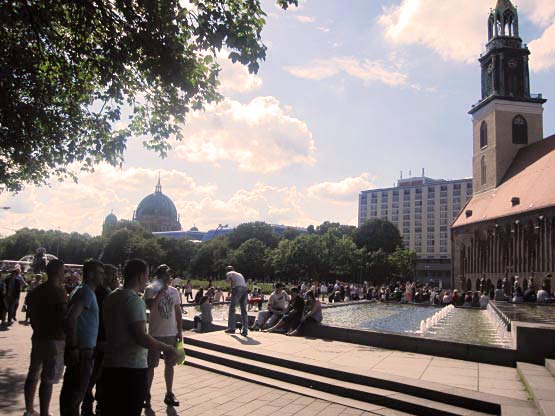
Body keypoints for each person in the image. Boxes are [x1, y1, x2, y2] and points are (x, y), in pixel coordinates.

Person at [101, 259, 177, 416]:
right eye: (147, 275)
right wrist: (167, 348)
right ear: (141, 275)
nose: (149, 280)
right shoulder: (134, 301)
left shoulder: (111, 296)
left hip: (109, 365)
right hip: (130, 368)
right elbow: (141, 337)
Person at [60, 259, 104, 416]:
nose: (103, 276)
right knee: (75, 394)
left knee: (72, 392)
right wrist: (73, 346)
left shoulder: (81, 290)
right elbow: (71, 317)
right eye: (100, 273)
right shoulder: (86, 292)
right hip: (82, 351)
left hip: (82, 349)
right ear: (91, 274)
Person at [23, 259, 67, 416]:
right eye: (63, 270)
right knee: (47, 379)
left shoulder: (38, 290)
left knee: (33, 373)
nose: (65, 274)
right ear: (57, 272)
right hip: (54, 339)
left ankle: (29, 410)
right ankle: (45, 412)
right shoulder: (59, 292)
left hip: (38, 337)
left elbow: (31, 312)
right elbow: (63, 317)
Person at [82, 264, 119, 416]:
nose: (116, 279)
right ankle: (94, 405)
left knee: (93, 374)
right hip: (102, 339)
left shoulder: (94, 291)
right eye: (114, 276)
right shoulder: (106, 293)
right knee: (99, 375)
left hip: (94, 338)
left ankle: (89, 404)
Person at [143, 264, 182, 408]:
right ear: (160, 276)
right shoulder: (150, 289)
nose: (169, 277)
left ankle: (169, 393)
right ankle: (146, 395)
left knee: (170, 365)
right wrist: (161, 291)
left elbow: (177, 312)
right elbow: (150, 306)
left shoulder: (174, 291)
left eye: (170, 275)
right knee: (150, 366)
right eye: (167, 275)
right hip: (155, 334)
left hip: (171, 333)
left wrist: (180, 332)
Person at [224, 266, 248, 336]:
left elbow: (233, 282)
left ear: (227, 270)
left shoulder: (229, 273)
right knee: (244, 310)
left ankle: (231, 328)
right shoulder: (239, 274)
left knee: (232, 309)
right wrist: (231, 291)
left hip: (238, 288)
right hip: (245, 289)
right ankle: (245, 330)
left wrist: (232, 291)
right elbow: (234, 282)